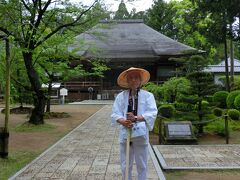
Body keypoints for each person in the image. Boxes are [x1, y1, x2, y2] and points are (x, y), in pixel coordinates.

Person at [111, 67, 158, 180]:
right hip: (125, 134)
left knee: (142, 164)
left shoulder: (148, 96)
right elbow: (115, 114)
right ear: (127, 81)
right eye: (131, 78)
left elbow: (152, 113)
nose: (133, 80)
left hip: (141, 134)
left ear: (140, 80)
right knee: (125, 164)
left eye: (136, 78)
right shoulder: (121, 96)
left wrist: (136, 118)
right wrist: (123, 121)